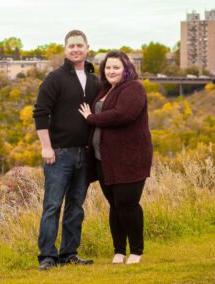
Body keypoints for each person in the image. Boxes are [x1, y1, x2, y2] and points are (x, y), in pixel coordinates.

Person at [33, 30, 99, 270]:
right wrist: (46, 147)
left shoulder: (93, 80)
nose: (75, 49)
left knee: (76, 207)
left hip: (85, 153)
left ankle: (69, 253)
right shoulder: (55, 78)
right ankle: (47, 257)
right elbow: (40, 112)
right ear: (65, 50)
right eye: (71, 46)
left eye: (79, 45)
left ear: (87, 47)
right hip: (59, 154)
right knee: (52, 206)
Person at [78, 50, 153, 264]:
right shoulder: (105, 90)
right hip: (105, 160)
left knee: (127, 204)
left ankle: (136, 251)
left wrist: (91, 118)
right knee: (114, 205)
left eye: (116, 67)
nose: (111, 71)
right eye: (108, 67)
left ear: (126, 69)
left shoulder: (134, 88)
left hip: (129, 159)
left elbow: (123, 114)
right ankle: (119, 251)